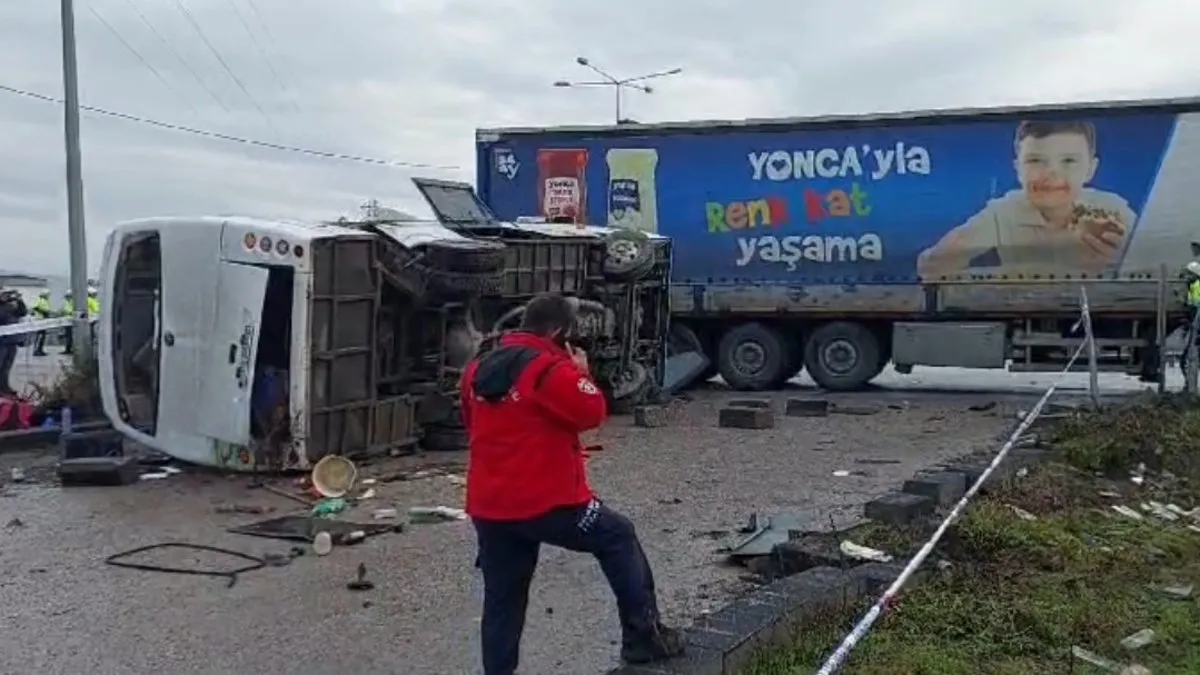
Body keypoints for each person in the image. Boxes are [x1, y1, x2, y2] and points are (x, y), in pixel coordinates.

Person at [460, 293, 683, 675]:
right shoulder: (549, 369)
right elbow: (591, 412)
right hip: (550, 502)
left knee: (502, 601)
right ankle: (643, 638)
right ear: (561, 332)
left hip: (490, 507)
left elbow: (472, 422)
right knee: (618, 536)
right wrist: (580, 371)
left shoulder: (477, 369)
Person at [918, 120, 1136, 279]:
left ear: (1091, 169)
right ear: (1017, 170)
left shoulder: (1113, 210)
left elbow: (1151, 262)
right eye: (1035, 160)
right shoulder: (1003, 213)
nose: (1051, 173)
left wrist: (1121, 261)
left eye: (1069, 161)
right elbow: (931, 265)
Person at [0, 289, 28, 396]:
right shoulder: (3, 308)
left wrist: (19, 300)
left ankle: (4, 387)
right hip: (1, 342)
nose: (6, 296)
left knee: (7, 367)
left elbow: (22, 312)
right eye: (3, 294)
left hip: (11, 341)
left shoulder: (10, 307)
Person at [30, 290, 51, 356]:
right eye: (47, 294)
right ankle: (36, 350)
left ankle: (40, 349)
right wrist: (43, 312)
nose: (48, 296)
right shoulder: (39, 299)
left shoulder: (45, 301)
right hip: (39, 319)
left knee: (42, 336)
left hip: (43, 320)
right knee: (39, 336)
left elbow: (47, 309)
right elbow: (35, 307)